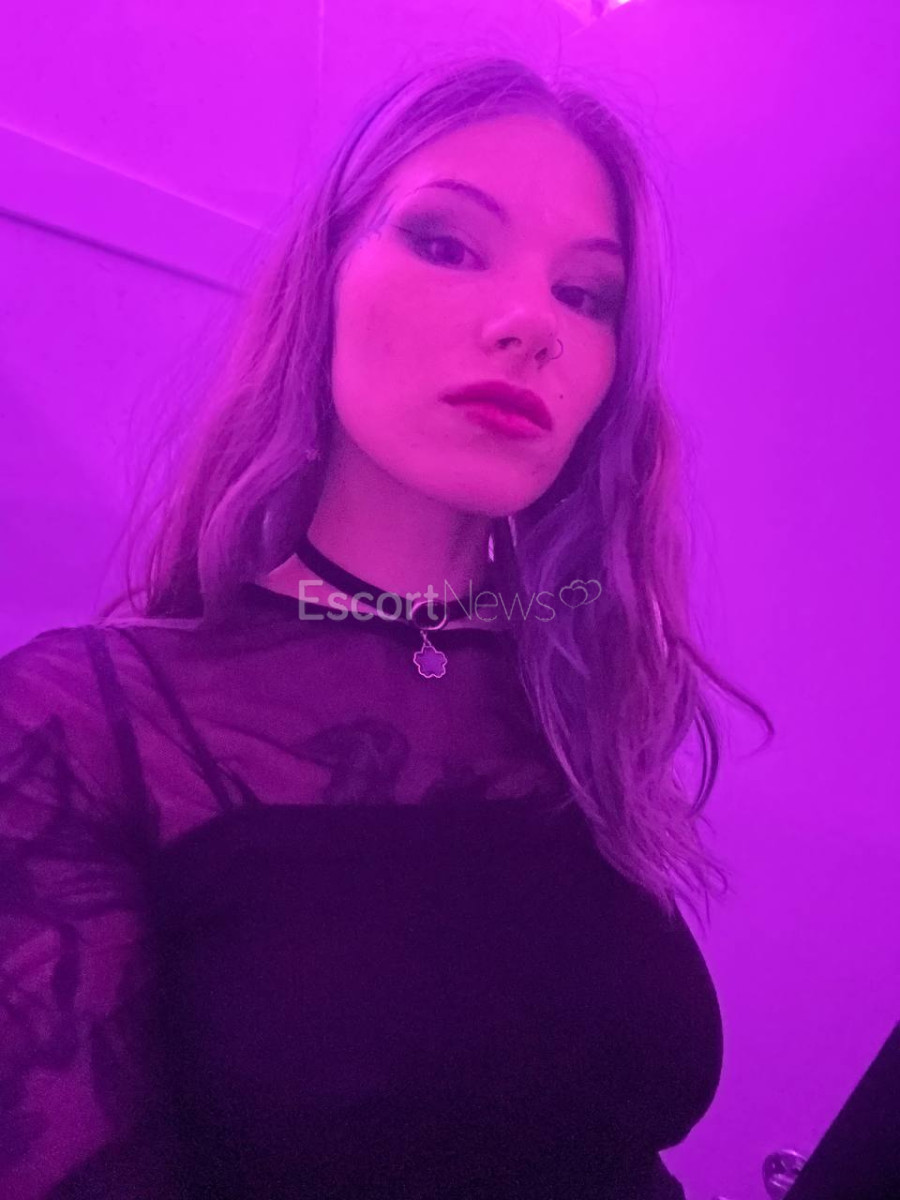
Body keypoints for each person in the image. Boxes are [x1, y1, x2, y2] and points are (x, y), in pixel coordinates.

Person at [0, 55, 774, 1199]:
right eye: (447, 244)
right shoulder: (85, 728)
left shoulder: (574, 696)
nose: (532, 325)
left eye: (587, 295)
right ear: (323, 280)